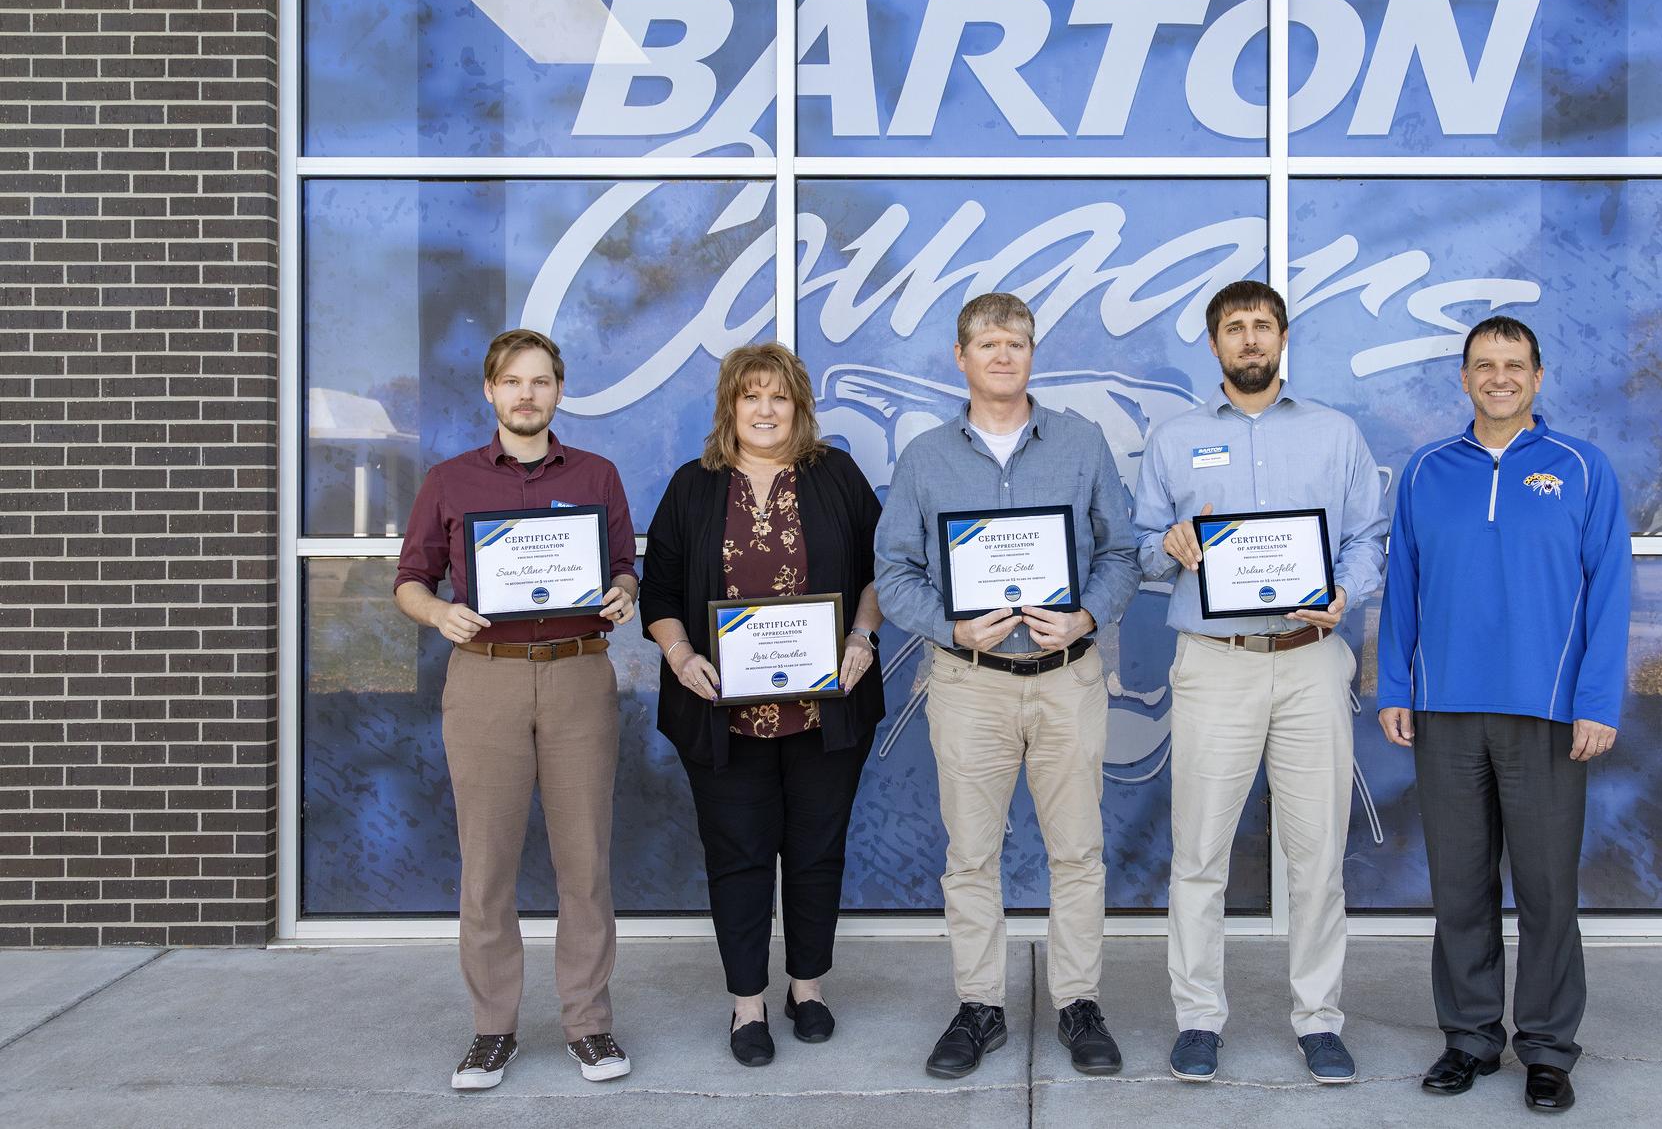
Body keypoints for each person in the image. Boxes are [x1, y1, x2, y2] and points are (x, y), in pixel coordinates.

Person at [874, 292, 1140, 1081]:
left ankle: (1078, 1002)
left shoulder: (1082, 442)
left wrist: (1087, 614)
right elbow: (894, 573)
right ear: (959, 357)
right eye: (987, 343)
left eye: (1015, 342)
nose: (1002, 354)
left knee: (1077, 850)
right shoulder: (925, 456)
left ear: (1032, 354)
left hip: (1066, 677)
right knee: (971, 854)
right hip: (968, 681)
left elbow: (1120, 551)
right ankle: (979, 1004)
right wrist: (949, 626)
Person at [1132, 279, 1388, 1085]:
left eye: (1262, 326)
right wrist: (1166, 545)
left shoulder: (1334, 433)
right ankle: (1198, 1016)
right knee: (1200, 853)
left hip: (1310, 662)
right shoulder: (1173, 439)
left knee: (1316, 856)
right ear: (1212, 345)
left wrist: (1346, 593)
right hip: (1215, 661)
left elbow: (1365, 537)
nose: (1249, 339)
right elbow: (1139, 546)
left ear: (1281, 339)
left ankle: (1318, 1019)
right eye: (1234, 327)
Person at [1375, 315, 1630, 1114]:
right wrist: (1393, 686)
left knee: (1548, 887)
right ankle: (1469, 1037)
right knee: (1458, 884)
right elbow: (1401, 590)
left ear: (1538, 375)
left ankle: (1548, 1048)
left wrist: (1595, 700)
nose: (1498, 377)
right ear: (1463, 377)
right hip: (1444, 708)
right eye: (1483, 364)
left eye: (1513, 364)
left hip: (1547, 713)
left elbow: (1611, 591)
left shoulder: (1582, 469)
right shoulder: (1424, 471)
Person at [392, 328, 639, 1091]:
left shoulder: (597, 474)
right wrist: (438, 615)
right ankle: (491, 1029)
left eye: (540, 381)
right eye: (511, 381)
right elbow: (409, 578)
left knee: (584, 864)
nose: (526, 394)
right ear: (490, 393)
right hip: (486, 677)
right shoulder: (449, 480)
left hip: (576, 677)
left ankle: (588, 1025)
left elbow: (625, 567)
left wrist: (624, 593)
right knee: (488, 866)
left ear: (558, 391)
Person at [639, 343, 884, 1068]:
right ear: (730, 407)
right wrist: (681, 657)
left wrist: (863, 636)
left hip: (825, 708)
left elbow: (881, 568)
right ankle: (748, 1002)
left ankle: (805, 989)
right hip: (722, 714)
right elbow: (657, 593)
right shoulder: (693, 486)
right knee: (739, 855)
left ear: (798, 405)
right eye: (751, 396)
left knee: (814, 852)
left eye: (779, 395)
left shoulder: (835, 475)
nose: (766, 408)